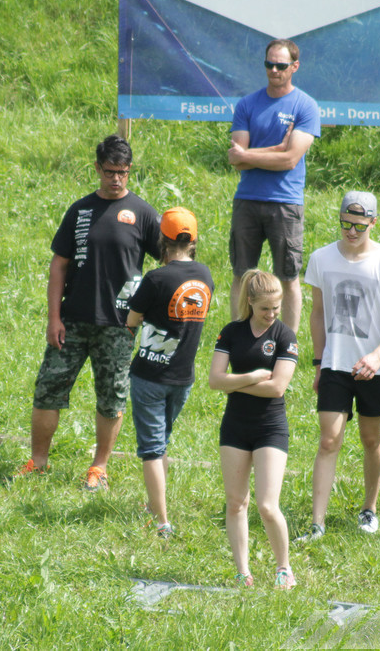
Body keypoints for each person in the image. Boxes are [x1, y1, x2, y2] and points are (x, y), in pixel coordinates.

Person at [17, 135, 161, 490]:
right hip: (72, 321)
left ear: (130, 171)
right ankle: (38, 461)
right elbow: (58, 265)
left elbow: (169, 260)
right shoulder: (79, 210)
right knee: (47, 389)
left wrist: (148, 310)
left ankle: (99, 468)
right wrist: (53, 318)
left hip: (119, 325)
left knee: (112, 398)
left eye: (123, 172)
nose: (116, 179)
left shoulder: (143, 213)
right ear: (97, 168)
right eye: (110, 171)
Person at [297, 191, 380, 541]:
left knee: (370, 438)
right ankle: (317, 523)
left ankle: (368, 509)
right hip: (335, 364)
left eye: (359, 226)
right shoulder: (321, 258)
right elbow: (317, 313)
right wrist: (319, 362)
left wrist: (377, 356)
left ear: (373, 222)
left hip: (374, 367)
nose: (351, 231)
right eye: (345, 224)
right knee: (329, 440)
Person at [126, 207, 214, 538]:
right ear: (193, 241)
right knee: (161, 442)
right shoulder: (205, 276)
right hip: (182, 377)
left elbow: (132, 320)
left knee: (151, 448)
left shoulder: (156, 278)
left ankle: (161, 521)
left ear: (162, 240)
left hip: (149, 375)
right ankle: (154, 505)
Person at [209, 270, 299, 589]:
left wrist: (233, 383)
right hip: (235, 426)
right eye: (265, 309)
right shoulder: (231, 332)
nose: (271, 314)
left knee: (267, 505)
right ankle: (242, 572)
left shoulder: (285, 336)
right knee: (236, 502)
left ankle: (284, 568)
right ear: (250, 302)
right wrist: (252, 377)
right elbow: (214, 380)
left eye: (276, 308)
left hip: (270, 427)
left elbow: (277, 388)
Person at [227, 38, 321, 333]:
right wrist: (276, 149)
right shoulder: (247, 104)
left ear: (295, 66)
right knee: (241, 275)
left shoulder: (306, 106)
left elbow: (290, 160)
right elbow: (237, 161)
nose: (274, 70)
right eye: (269, 64)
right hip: (247, 200)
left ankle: (288, 344)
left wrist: (253, 155)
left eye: (281, 65)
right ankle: (237, 339)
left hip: (285, 202)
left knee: (288, 278)